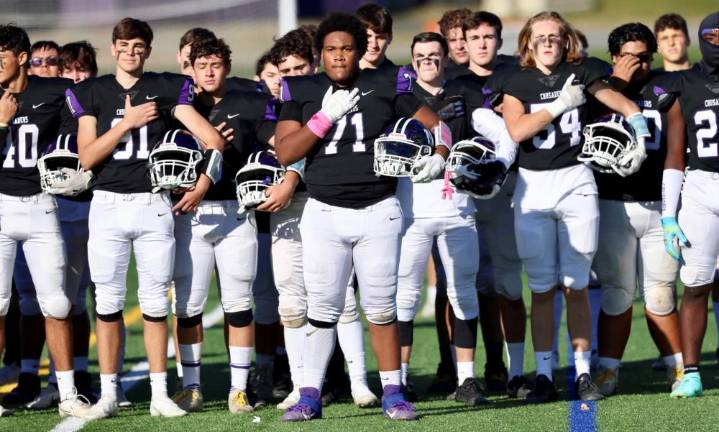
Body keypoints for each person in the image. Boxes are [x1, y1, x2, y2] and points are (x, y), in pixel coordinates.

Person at [275, 12, 450, 421]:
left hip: (378, 209)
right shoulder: (301, 87)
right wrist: (323, 118)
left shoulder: (387, 83)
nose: (339, 56)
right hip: (323, 210)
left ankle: (392, 391)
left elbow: (436, 126)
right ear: (320, 53)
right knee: (321, 308)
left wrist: (439, 157)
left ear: (359, 51)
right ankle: (310, 395)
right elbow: (285, 152)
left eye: (347, 49)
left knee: (380, 306)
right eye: (331, 49)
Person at [67, 17, 225, 419]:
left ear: (148, 50)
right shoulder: (94, 91)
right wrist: (127, 123)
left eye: (139, 46)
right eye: (125, 46)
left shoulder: (167, 86)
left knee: (156, 303)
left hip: (154, 203)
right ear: (114, 48)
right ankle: (107, 394)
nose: (131, 52)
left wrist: (202, 181)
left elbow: (212, 139)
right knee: (108, 302)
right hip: (106, 202)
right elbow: (86, 156)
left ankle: (158, 394)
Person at [496, 11, 649, 403]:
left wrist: (637, 121)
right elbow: (517, 130)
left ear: (566, 41)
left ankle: (582, 373)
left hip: (576, 181)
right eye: (541, 36)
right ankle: (545, 374)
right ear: (528, 42)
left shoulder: (582, 72)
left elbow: (613, 97)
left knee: (576, 285)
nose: (548, 42)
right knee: (542, 288)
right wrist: (560, 104)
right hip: (533, 187)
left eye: (555, 36)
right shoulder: (515, 80)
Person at [267, 29, 378, 410]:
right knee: (292, 301)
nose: (293, 76)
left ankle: (358, 382)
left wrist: (291, 179)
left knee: (341, 298)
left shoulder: (328, 94)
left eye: (301, 68)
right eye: (284, 71)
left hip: (320, 201)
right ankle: (303, 386)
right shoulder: (274, 101)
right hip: (283, 212)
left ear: (314, 65)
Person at [171, 36, 277, 414]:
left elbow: (272, 139)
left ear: (227, 66)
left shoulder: (251, 100)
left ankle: (238, 389)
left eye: (216, 64)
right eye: (202, 66)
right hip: (190, 214)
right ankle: (192, 386)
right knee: (188, 305)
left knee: (238, 305)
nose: (209, 72)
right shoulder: (181, 104)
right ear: (191, 69)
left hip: (236, 210)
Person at [0, 24, 92, 418]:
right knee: (0, 304)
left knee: (57, 303)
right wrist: (2, 123)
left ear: (21, 58)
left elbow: (82, 127)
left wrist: (72, 156)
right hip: (0, 207)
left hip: (42, 205)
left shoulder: (53, 92)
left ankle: (68, 393)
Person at [591, 22, 683, 396]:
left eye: (644, 58)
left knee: (661, 292)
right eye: (629, 57)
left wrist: (674, 208)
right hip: (613, 205)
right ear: (614, 58)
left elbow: (677, 148)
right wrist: (615, 81)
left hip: (658, 204)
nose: (638, 65)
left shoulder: (666, 88)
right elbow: (582, 119)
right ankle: (609, 370)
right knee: (616, 292)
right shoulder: (597, 87)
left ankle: (679, 369)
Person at [396, 30, 485, 406]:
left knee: (462, 291)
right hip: (411, 208)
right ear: (412, 60)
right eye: (421, 56)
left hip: (457, 206)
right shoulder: (399, 96)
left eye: (435, 55)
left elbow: (492, 137)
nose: (429, 61)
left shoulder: (465, 93)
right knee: (404, 297)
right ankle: (396, 380)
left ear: (447, 58)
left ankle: (466, 378)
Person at [446, 10, 529, 397]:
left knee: (508, 283)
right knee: (465, 282)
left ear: (499, 39)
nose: (481, 44)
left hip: (510, 188)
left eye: (489, 36)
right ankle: (462, 372)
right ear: (463, 41)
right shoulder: (453, 83)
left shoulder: (516, 75)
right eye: (474, 37)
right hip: (464, 194)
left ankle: (512, 370)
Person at [661, 12, 719, 398]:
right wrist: (668, 213)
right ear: (701, 39)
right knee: (696, 284)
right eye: (713, 35)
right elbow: (675, 154)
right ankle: (692, 372)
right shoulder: (684, 83)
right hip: (700, 188)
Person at [355, 3, 394, 70]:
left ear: (390, 37)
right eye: (367, 36)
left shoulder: (400, 78)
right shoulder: (338, 77)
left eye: (380, 37)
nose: (374, 45)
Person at [438, 8, 472, 79]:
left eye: (463, 39)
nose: (459, 46)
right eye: (453, 40)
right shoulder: (439, 77)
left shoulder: (495, 71)